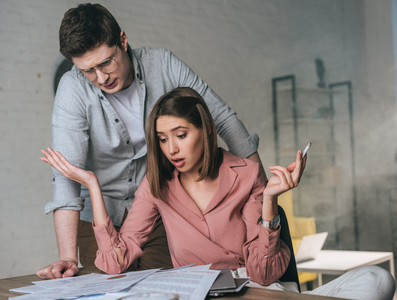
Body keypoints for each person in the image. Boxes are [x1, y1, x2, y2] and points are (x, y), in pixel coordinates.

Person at [37, 3, 262, 280]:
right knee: (107, 290)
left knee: (164, 288)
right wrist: (68, 256)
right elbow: (67, 175)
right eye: (88, 71)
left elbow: (223, 119)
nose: (101, 77)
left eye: (106, 62)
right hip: (99, 213)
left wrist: (260, 189)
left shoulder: (163, 65)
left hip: (156, 207)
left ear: (122, 39)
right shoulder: (72, 90)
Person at [40, 87, 306, 286]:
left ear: (207, 130)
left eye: (181, 135)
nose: (171, 149)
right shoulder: (157, 184)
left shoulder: (247, 174)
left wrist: (270, 202)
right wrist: (92, 184)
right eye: (162, 139)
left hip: (245, 289)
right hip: (191, 291)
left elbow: (264, 272)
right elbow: (114, 262)